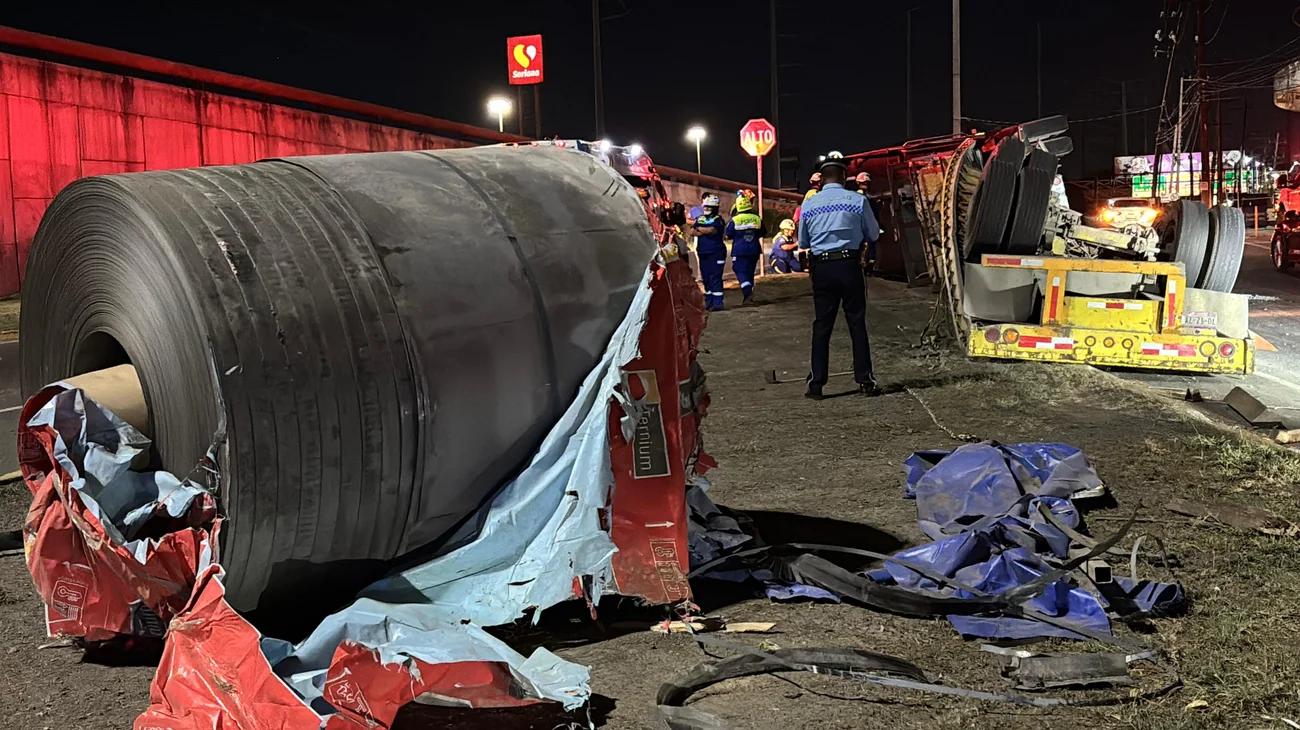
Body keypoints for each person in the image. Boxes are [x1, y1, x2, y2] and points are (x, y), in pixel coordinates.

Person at [797, 151, 881, 399]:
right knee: (856, 323)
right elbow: (874, 234)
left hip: (822, 268)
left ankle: (816, 385)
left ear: (821, 179)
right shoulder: (856, 201)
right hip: (849, 265)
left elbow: (803, 240)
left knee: (822, 326)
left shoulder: (809, 203)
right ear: (844, 177)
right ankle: (865, 380)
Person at [725, 194, 767, 304]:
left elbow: (728, 234)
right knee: (750, 272)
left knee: (739, 269)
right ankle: (749, 295)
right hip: (754, 250)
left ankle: (747, 292)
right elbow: (763, 232)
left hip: (740, 250)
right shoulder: (757, 218)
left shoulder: (735, 220)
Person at [693, 194, 728, 311]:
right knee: (706, 279)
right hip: (703, 252)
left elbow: (712, 231)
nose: (706, 209)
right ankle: (709, 302)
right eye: (705, 206)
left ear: (715, 208)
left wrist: (700, 229)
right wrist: (703, 230)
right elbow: (692, 232)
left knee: (715, 277)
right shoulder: (700, 218)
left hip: (716, 252)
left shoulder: (718, 220)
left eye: (709, 207)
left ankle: (718, 303)